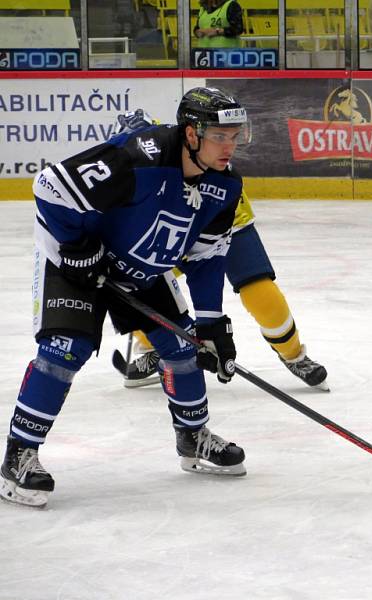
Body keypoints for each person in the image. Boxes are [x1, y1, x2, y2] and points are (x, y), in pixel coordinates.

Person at [0, 87, 252, 508]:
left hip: (143, 269)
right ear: (191, 134)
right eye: (220, 136)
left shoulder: (225, 187)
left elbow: (207, 257)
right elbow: (50, 186)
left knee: (184, 346)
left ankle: (192, 437)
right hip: (77, 262)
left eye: (235, 136)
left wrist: (211, 324)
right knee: (65, 351)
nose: (230, 146)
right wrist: (77, 248)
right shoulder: (140, 158)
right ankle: (19, 453)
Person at [110, 110, 328, 392]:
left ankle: (293, 353)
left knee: (259, 289)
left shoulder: (194, 145)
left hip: (226, 222)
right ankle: (155, 346)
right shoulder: (140, 158)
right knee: (136, 281)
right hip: (173, 226)